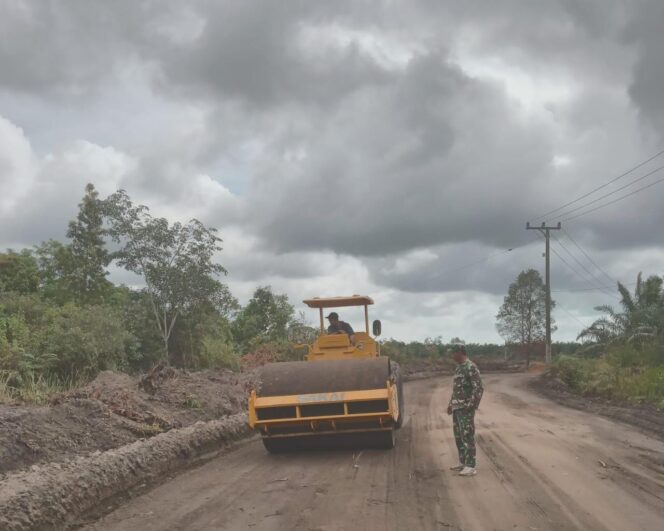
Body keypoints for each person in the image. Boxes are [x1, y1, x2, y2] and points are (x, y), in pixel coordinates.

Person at [446, 344, 483, 477]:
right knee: (458, 436)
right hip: (457, 407)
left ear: (460, 353)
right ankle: (463, 462)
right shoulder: (458, 368)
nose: (452, 356)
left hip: (466, 408)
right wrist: (451, 404)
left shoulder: (470, 367)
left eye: (453, 353)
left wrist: (471, 405)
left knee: (467, 435)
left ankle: (471, 466)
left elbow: (478, 388)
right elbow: (456, 389)